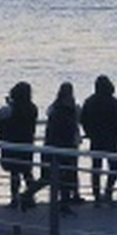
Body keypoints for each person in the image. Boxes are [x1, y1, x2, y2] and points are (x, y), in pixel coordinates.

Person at [80, 75, 117, 204]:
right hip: (112, 139)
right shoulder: (113, 102)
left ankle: (96, 195)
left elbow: (83, 119)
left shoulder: (89, 102)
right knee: (114, 168)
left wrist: (89, 133)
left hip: (96, 139)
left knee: (96, 168)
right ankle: (108, 191)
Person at [37, 81, 82, 212]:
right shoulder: (67, 111)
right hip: (64, 147)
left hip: (56, 146)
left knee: (54, 176)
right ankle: (65, 203)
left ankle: (64, 202)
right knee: (65, 175)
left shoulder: (54, 109)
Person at [0, 80, 40, 210]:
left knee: (14, 173)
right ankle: (29, 196)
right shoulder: (32, 108)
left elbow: (1, 123)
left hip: (12, 144)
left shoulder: (11, 109)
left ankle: (14, 198)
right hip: (27, 143)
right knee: (27, 172)